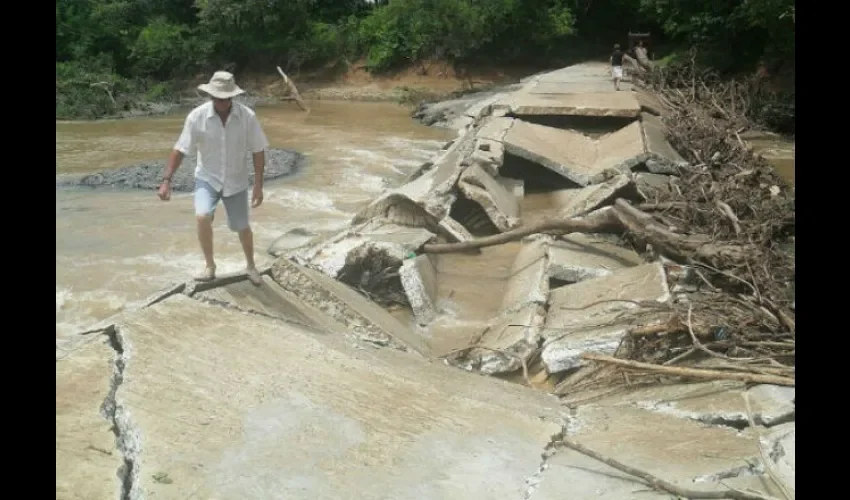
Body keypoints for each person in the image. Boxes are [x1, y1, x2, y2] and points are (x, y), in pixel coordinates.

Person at [157, 71, 270, 285]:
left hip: (236, 180)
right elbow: (180, 149)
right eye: (218, 98)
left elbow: (258, 150)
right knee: (202, 216)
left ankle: (251, 266)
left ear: (232, 97)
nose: (222, 102)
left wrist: (258, 186)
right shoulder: (197, 117)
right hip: (207, 178)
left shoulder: (247, 117)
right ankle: (210, 266)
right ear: (211, 96)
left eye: (226, 98)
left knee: (242, 227)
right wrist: (166, 180)